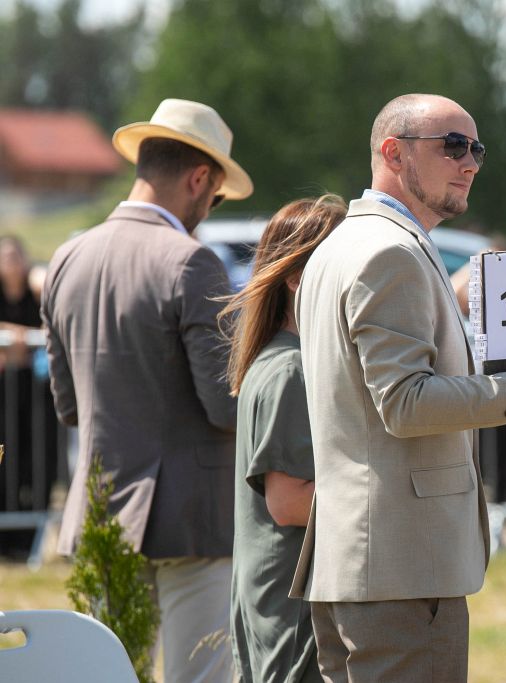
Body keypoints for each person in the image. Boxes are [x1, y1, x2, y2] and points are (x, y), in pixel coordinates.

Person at [290, 93, 506, 683]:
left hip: (364, 562)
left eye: (477, 149)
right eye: (453, 146)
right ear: (393, 153)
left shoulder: (345, 245)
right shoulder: (389, 251)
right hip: (400, 567)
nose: (470, 164)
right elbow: (405, 404)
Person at [41, 98, 252, 683]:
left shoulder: (65, 257)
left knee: (106, 674)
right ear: (199, 179)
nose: (209, 210)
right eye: (216, 198)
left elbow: (68, 406)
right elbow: (225, 405)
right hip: (192, 520)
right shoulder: (192, 262)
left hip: (102, 512)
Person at [222, 195, 347, 683]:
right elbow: (289, 502)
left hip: (283, 599)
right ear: (296, 277)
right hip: (294, 609)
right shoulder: (291, 369)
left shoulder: (285, 358)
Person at [0, 235, 58, 558]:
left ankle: (27, 545)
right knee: (4, 463)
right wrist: (12, 333)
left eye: (15, 256)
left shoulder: (36, 292)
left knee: (36, 466)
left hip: (36, 397)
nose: (10, 262)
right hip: (4, 398)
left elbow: (53, 295)